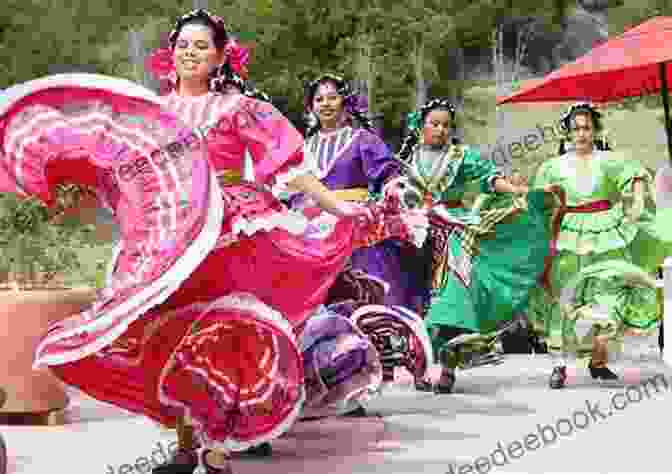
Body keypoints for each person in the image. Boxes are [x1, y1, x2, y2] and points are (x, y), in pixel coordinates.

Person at [0, 9, 426, 474]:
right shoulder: (148, 115)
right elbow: (124, 175)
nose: (191, 53)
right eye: (183, 44)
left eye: (202, 46)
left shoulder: (238, 107)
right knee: (166, 333)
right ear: (171, 53)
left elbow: (293, 169)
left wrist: (335, 207)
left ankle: (217, 450)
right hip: (170, 235)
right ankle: (187, 447)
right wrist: (72, 191)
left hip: (228, 227)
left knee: (225, 334)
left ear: (222, 56)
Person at [384, 98, 555, 394]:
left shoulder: (460, 156)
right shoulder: (405, 158)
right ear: (420, 125)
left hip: (453, 229)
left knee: (453, 296)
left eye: (446, 125)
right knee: (413, 296)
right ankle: (419, 367)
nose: (440, 130)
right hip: (412, 231)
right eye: (434, 123)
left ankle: (449, 368)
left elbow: (489, 178)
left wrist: (515, 189)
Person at [293, 73, 432, 396]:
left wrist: (394, 196)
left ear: (345, 102)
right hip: (312, 234)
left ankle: (364, 378)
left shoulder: (362, 140)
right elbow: (291, 185)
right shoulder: (302, 147)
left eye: (331, 97)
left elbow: (388, 175)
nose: (325, 104)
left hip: (356, 229)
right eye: (319, 99)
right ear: (311, 106)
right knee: (320, 306)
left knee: (360, 300)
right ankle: (326, 378)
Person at [527, 102, 670, 388]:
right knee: (565, 298)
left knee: (610, 295)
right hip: (568, 234)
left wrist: (639, 202)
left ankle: (598, 358)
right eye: (576, 128)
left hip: (607, 231)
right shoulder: (552, 167)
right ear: (567, 132)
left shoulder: (608, 159)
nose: (581, 134)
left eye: (586, 128)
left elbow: (635, 174)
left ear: (595, 130)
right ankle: (559, 364)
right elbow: (537, 201)